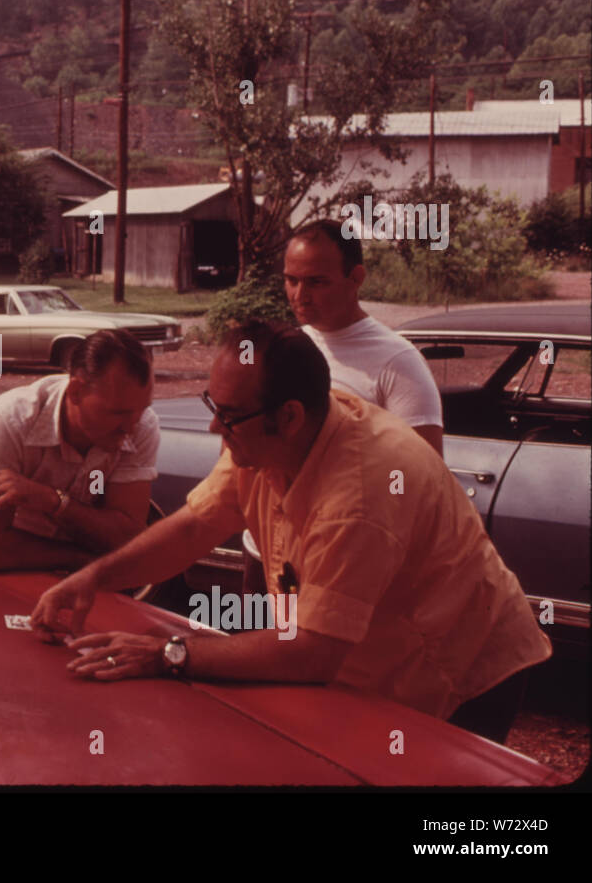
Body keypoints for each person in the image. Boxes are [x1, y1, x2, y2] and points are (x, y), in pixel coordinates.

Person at [30, 321, 551, 743]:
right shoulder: (260, 441)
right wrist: (93, 579)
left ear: (291, 416)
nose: (215, 428)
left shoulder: (361, 496)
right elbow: (193, 527)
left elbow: (310, 653)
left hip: (464, 675)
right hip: (370, 658)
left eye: (228, 415)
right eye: (213, 407)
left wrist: (171, 652)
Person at [0, 329, 159, 571]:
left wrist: (51, 501)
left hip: (85, 576)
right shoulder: (8, 420)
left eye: (142, 408)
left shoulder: (142, 424)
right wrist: (89, 559)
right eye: (118, 413)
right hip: (15, 577)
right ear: (76, 391)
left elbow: (126, 539)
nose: (131, 426)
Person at [283, 219, 443, 454]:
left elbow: (423, 476)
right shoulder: (285, 349)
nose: (300, 295)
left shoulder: (399, 361)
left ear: (356, 278)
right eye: (291, 280)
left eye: (316, 282)